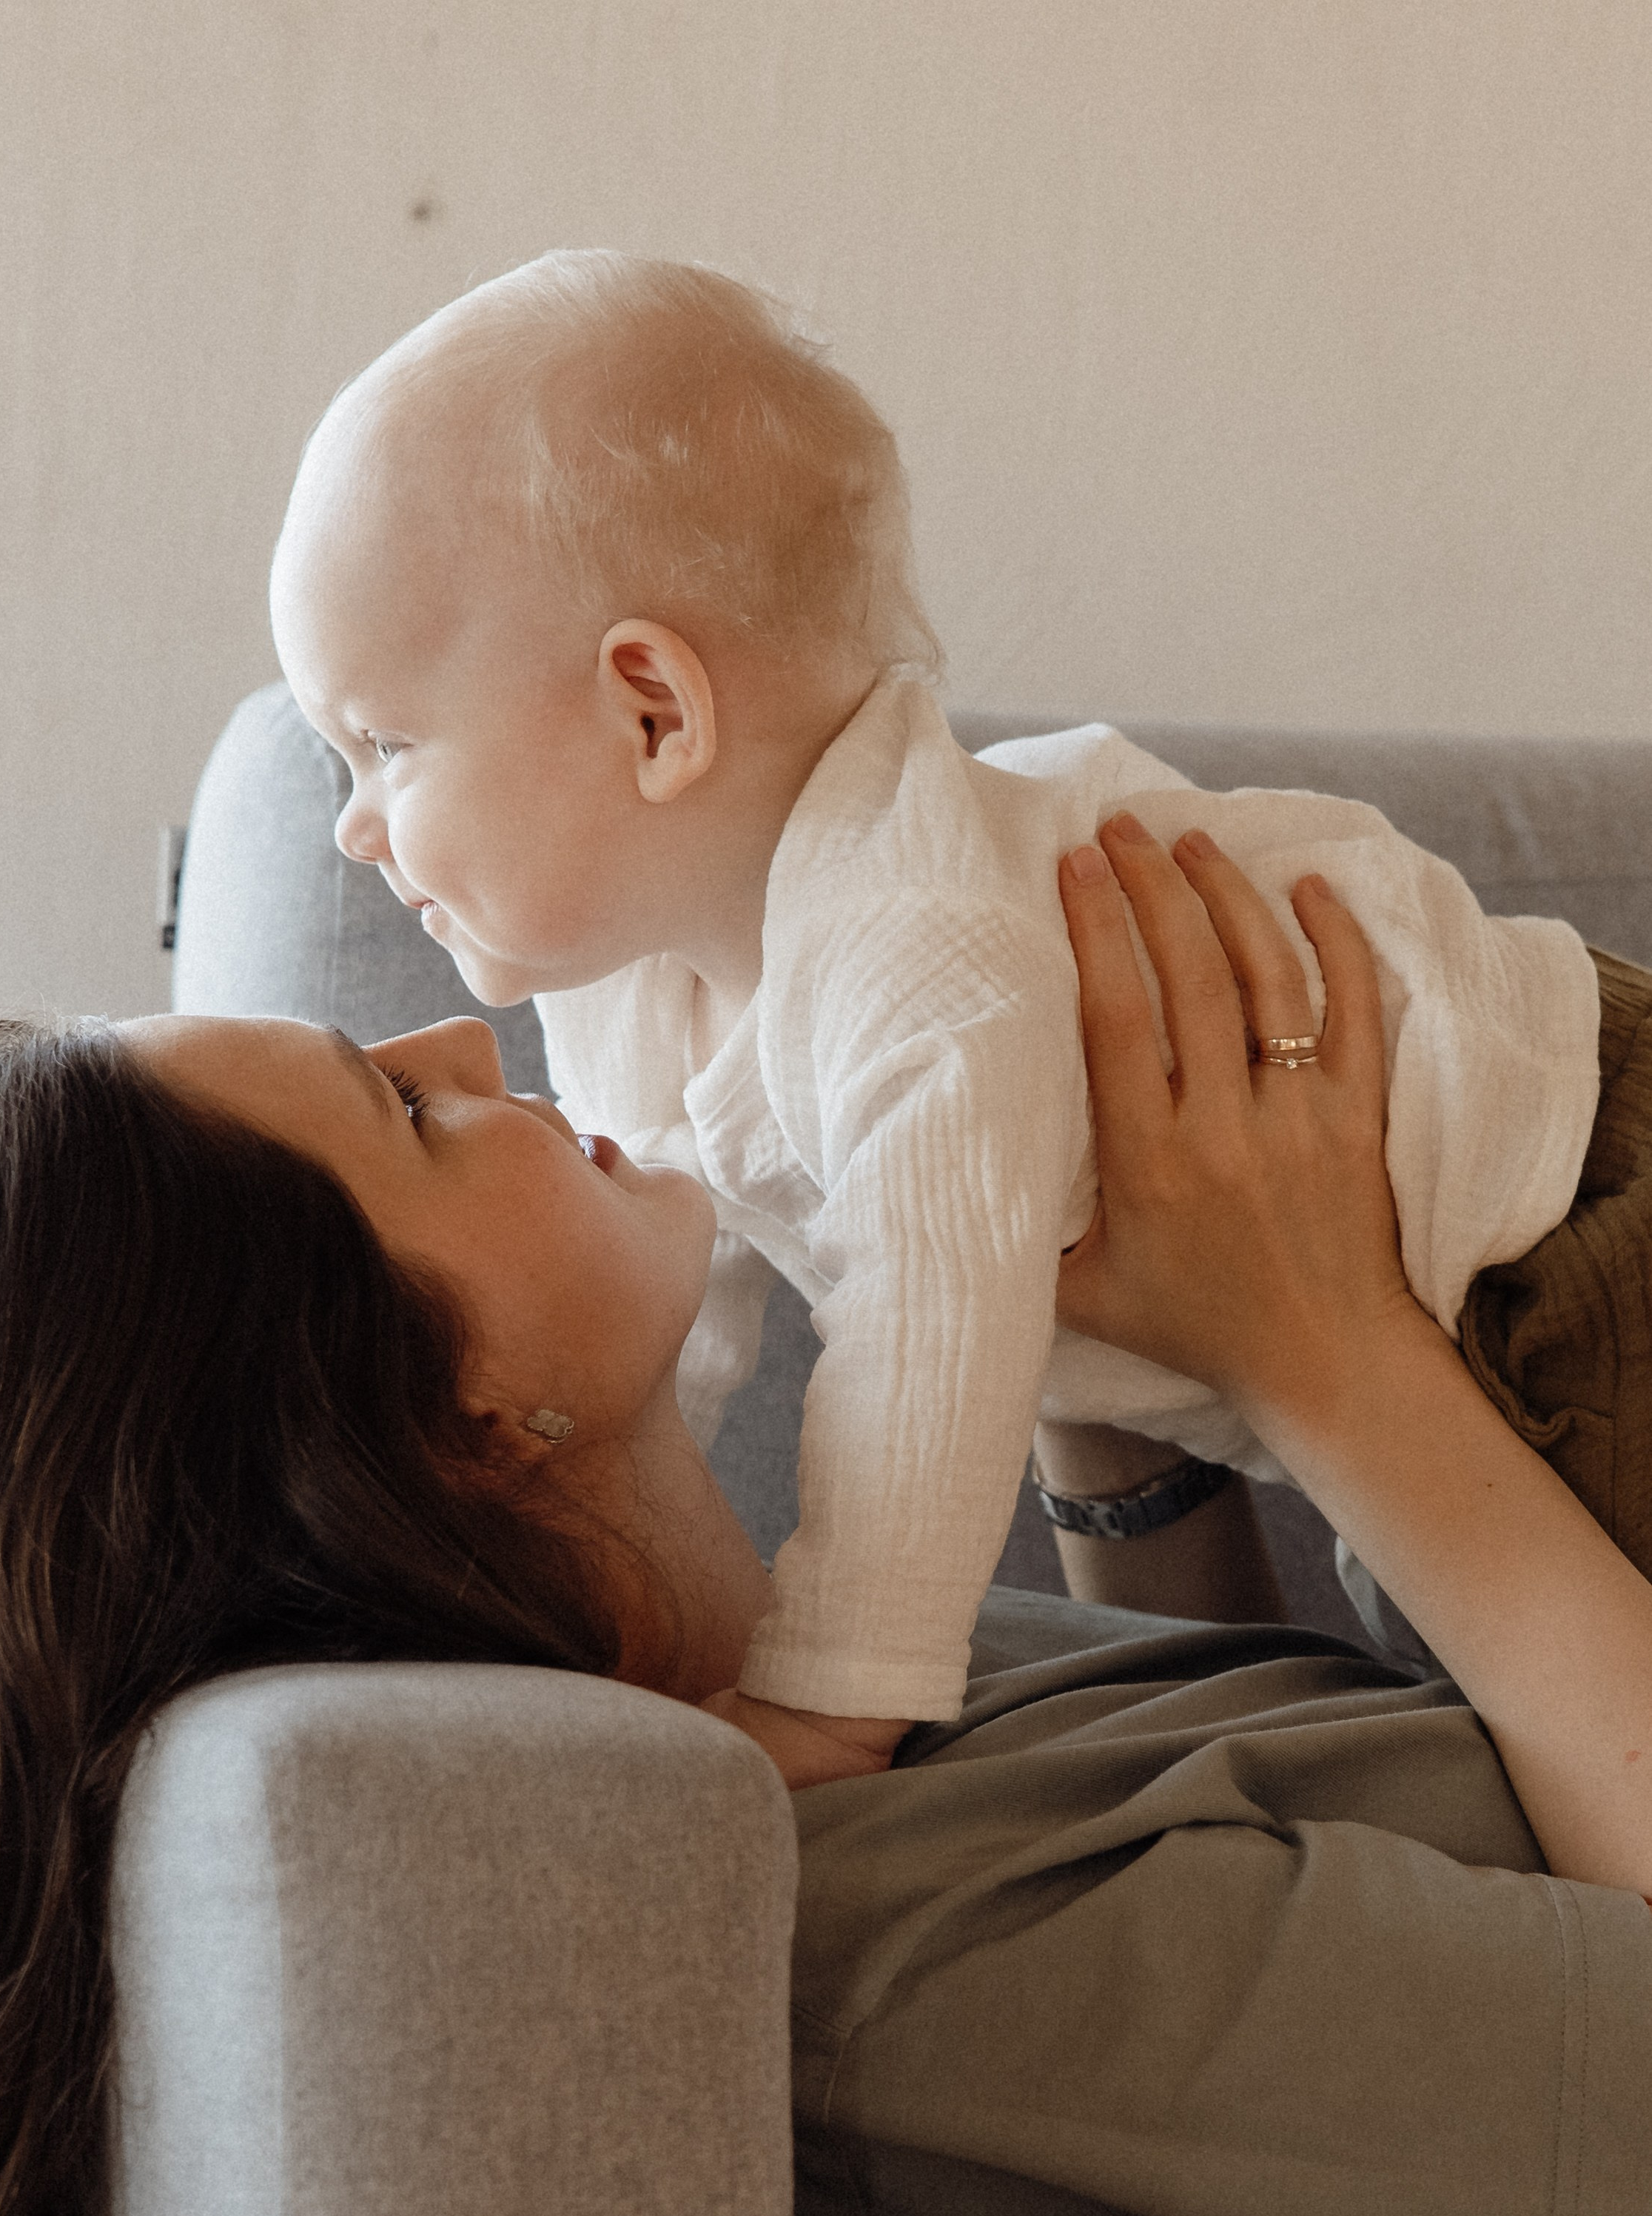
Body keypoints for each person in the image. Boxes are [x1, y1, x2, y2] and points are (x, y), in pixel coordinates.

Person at [0, 842, 1650, 2216]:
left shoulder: (787, 1708)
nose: (470, 1048)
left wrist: (1109, 1405)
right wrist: (1321, 1347)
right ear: (445, 1411)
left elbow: (1284, 1804)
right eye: (400, 1114)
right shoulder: (872, 1959)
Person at [266, 246, 1638, 1792]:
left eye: (380, 747)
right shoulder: (636, 986)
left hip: (1582, 1212)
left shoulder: (915, 954)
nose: (354, 831)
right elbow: (670, 1349)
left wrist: (827, 1705)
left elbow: (920, 1356)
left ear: (654, 713)